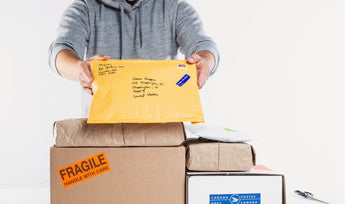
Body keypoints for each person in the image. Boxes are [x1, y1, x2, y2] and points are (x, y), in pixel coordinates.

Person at [49, 0, 220, 117]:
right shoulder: (85, 7)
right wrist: (78, 68)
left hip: (163, 131)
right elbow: (61, 50)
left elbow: (202, 45)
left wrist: (205, 61)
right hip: (100, 131)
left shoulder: (175, 7)